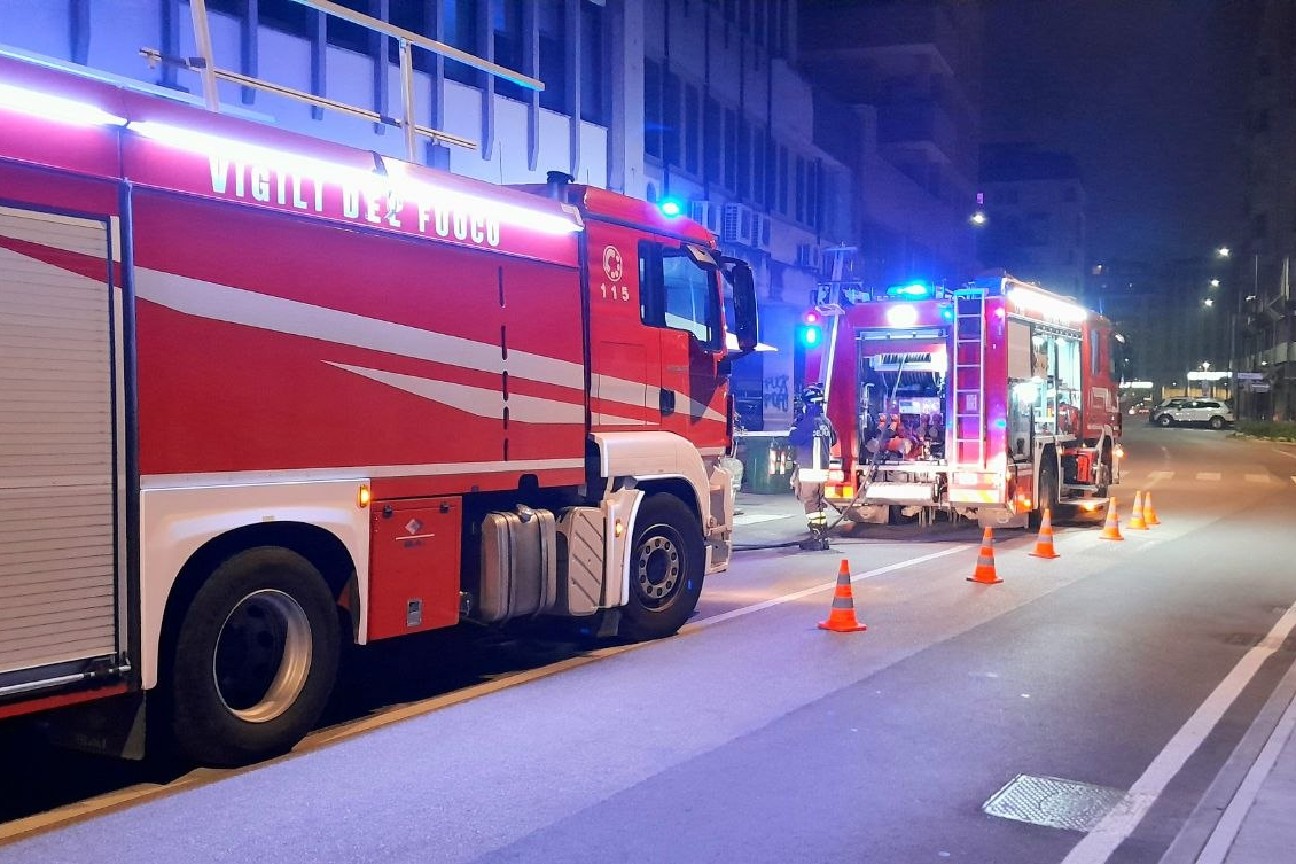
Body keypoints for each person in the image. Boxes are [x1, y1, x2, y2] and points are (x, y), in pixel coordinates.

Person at [788, 384, 837, 539]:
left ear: (808, 404)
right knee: (817, 502)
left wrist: (795, 424)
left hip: (809, 469)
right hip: (822, 470)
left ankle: (815, 533)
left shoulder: (804, 422)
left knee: (810, 502)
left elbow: (793, 439)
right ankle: (821, 531)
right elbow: (833, 440)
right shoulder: (826, 422)